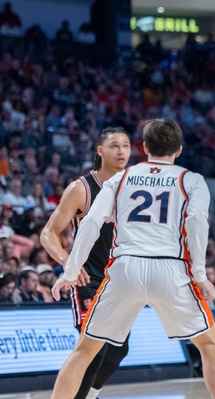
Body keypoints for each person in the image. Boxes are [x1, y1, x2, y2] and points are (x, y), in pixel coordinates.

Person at [49, 118, 215, 399]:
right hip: (170, 268)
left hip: (124, 268)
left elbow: (90, 223)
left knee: (85, 351)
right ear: (179, 150)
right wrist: (201, 274)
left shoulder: (121, 178)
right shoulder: (191, 180)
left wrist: (70, 271)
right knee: (209, 346)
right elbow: (196, 224)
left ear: (144, 147)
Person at [40, 127, 132, 399]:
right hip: (88, 279)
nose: (121, 151)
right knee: (95, 350)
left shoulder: (131, 189)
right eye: (114, 145)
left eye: (126, 146)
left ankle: (90, 396)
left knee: (118, 350)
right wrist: (70, 263)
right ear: (100, 150)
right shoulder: (82, 188)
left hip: (120, 283)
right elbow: (48, 233)